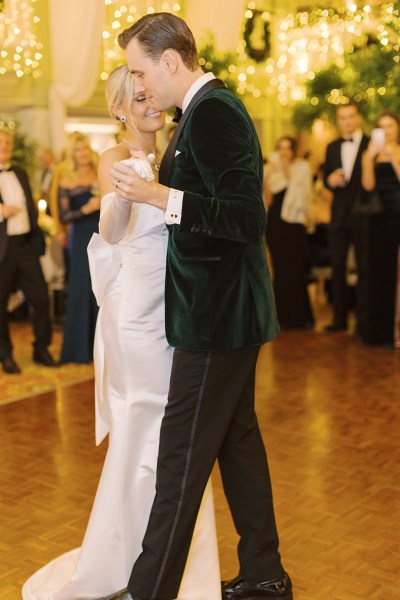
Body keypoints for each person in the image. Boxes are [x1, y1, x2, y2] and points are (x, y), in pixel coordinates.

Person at [105, 12, 292, 600]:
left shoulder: (214, 111)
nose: (140, 84)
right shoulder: (203, 112)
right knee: (236, 445)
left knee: (180, 455)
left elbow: (244, 218)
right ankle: (265, 573)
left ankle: (148, 590)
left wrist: (161, 196)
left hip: (217, 318)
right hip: (222, 314)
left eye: (141, 69)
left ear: (170, 60)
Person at [22, 65, 221, 600]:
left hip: (176, 306)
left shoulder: (177, 151)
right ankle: (126, 560)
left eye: (151, 93)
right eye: (138, 98)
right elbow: (110, 232)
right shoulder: (114, 159)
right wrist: (127, 195)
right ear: (118, 109)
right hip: (136, 310)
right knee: (146, 421)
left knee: (175, 429)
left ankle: (167, 558)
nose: (150, 103)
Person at [0, 128, 57, 374]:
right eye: (1, 142)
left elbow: (31, 207)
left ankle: (41, 348)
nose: (5, 146)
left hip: (25, 246)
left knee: (41, 298)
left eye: (7, 142)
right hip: (2, 249)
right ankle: (5, 355)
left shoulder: (21, 173)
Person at [323, 102, 369, 334]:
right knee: (337, 267)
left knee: (364, 267)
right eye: (342, 117)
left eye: (351, 116)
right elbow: (325, 179)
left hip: (365, 215)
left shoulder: (371, 144)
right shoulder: (331, 147)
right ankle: (339, 320)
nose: (347, 121)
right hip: (339, 216)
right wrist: (330, 181)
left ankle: (364, 321)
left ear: (358, 118)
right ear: (338, 121)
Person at [57, 133, 100, 364]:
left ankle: (102, 344)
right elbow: (64, 215)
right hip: (82, 235)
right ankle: (79, 349)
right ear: (72, 154)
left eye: (85, 149)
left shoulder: (100, 171)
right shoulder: (66, 179)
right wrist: (87, 208)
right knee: (82, 287)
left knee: (103, 286)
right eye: (77, 150)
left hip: (104, 232)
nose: (82, 153)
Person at [264, 136, 314, 330]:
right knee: (280, 268)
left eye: (288, 148)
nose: (284, 152)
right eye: (281, 148)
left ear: (294, 151)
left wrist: (287, 173)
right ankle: (282, 317)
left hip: (295, 223)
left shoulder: (302, 168)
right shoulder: (270, 169)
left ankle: (301, 318)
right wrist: (268, 176)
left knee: (295, 268)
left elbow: (303, 195)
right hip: (276, 223)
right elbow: (267, 199)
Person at [361, 111, 400, 348]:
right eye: (382, 126)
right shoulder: (371, 153)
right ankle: (381, 331)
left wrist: (393, 157)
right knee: (381, 271)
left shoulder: (398, 150)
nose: (386, 130)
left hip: (399, 212)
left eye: (390, 126)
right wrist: (370, 158)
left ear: (397, 128)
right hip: (379, 217)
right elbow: (368, 185)